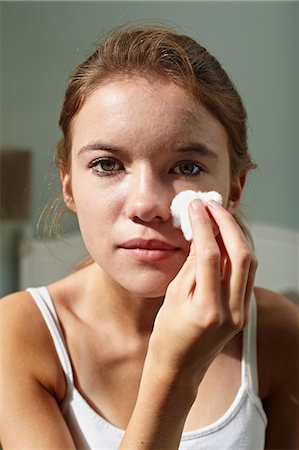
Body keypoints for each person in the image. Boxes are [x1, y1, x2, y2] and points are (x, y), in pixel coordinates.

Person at [1, 24, 298, 450]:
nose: (145, 203)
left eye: (187, 167)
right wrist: (174, 374)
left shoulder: (279, 333)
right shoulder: (17, 336)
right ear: (68, 185)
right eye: (107, 164)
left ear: (234, 189)